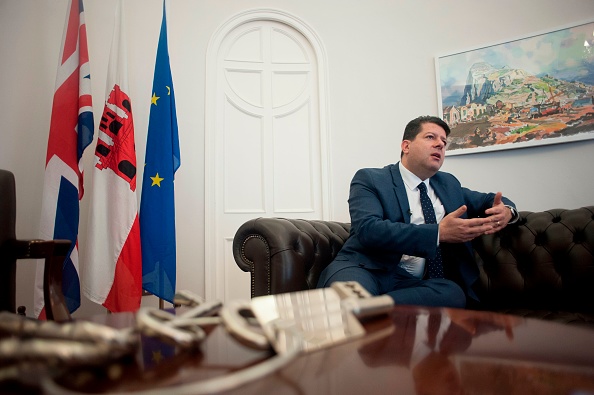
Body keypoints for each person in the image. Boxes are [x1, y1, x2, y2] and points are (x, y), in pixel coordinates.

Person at [316, 115, 519, 308]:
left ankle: (372, 308)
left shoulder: (448, 184)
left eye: (443, 142)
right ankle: (365, 308)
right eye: (430, 137)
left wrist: (507, 210)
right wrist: (438, 233)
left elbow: (489, 200)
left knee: (452, 292)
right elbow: (368, 229)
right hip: (365, 269)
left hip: (410, 285)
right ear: (406, 146)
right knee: (347, 295)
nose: (440, 144)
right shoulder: (371, 179)